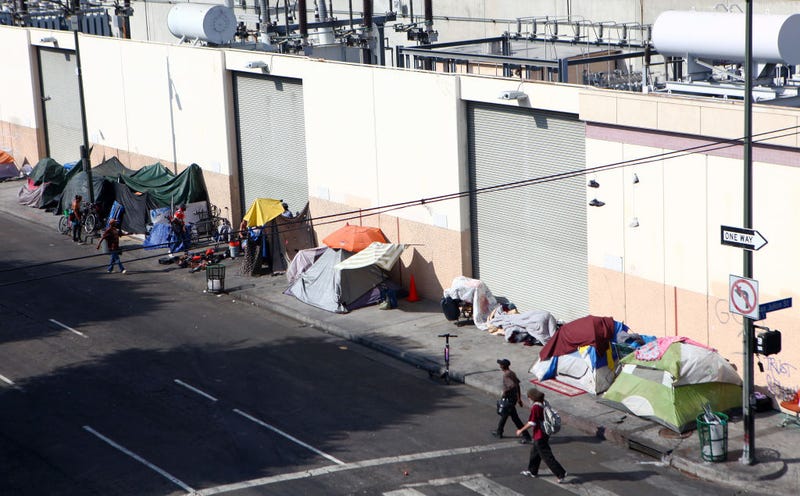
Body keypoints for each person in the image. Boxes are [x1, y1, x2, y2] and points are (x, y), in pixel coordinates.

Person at [516, 388, 567, 483]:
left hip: (540, 435)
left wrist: (521, 430)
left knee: (547, 456)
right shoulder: (544, 403)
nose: (529, 399)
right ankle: (532, 471)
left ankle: (561, 473)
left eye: (529, 397)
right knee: (534, 453)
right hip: (544, 433)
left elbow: (532, 423)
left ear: (532, 397)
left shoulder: (536, 407)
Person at [492, 359, 532, 444]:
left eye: (500, 364)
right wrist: (519, 398)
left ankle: (526, 436)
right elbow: (517, 385)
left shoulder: (506, 375)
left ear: (503, 366)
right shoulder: (512, 373)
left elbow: (512, 385)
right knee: (505, 415)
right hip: (513, 399)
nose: (499, 366)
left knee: (515, 418)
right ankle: (499, 431)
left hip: (509, 399)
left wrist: (505, 392)